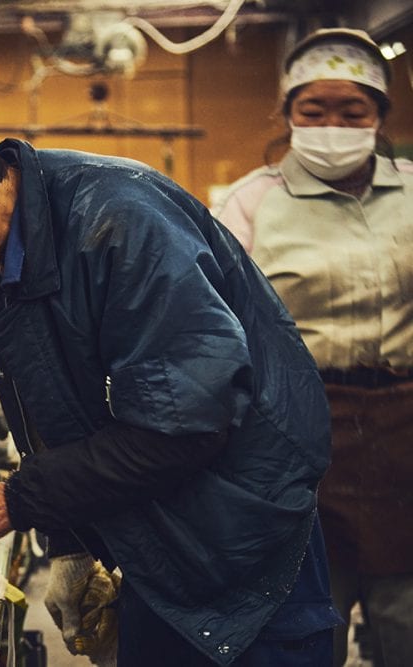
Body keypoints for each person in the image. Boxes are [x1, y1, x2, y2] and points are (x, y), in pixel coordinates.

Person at [0, 83, 342, 666]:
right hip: (158, 546)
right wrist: (71, 542)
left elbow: (184, 427)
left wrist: (16, 503)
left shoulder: (121, 224)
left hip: (245, 547)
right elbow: (51, 410)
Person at [214, 27, 413, 667]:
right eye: (313, 109)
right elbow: (219, 324)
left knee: (404, 619)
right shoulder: (252, 202)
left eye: (353, 111)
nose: (333, 125)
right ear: (288, 114)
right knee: (309, 620)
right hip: (299, 435)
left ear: (381, 115)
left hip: (407, 430)